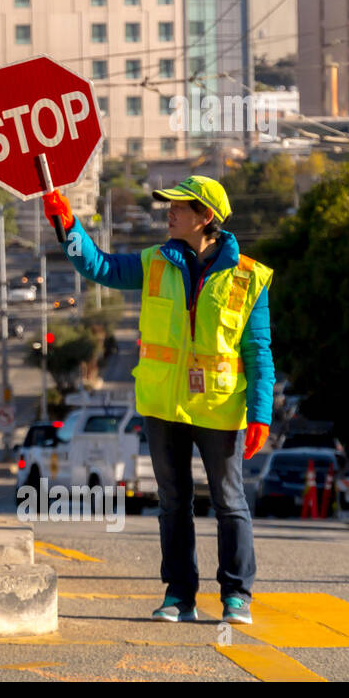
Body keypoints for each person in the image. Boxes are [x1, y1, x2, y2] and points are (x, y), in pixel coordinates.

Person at [43, 175, 273, 625]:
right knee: (172, 504)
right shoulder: (154, 262)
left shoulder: (250, 276)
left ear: (205, 216)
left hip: (219, 407)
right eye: (167, 205)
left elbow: (258, 350)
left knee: (229, 502)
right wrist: (69, 228)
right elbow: (98, 268)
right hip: (162, 404)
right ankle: (179, 596)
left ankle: (237, 596)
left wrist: (261, 414)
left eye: (178, 207)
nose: (168, 212)